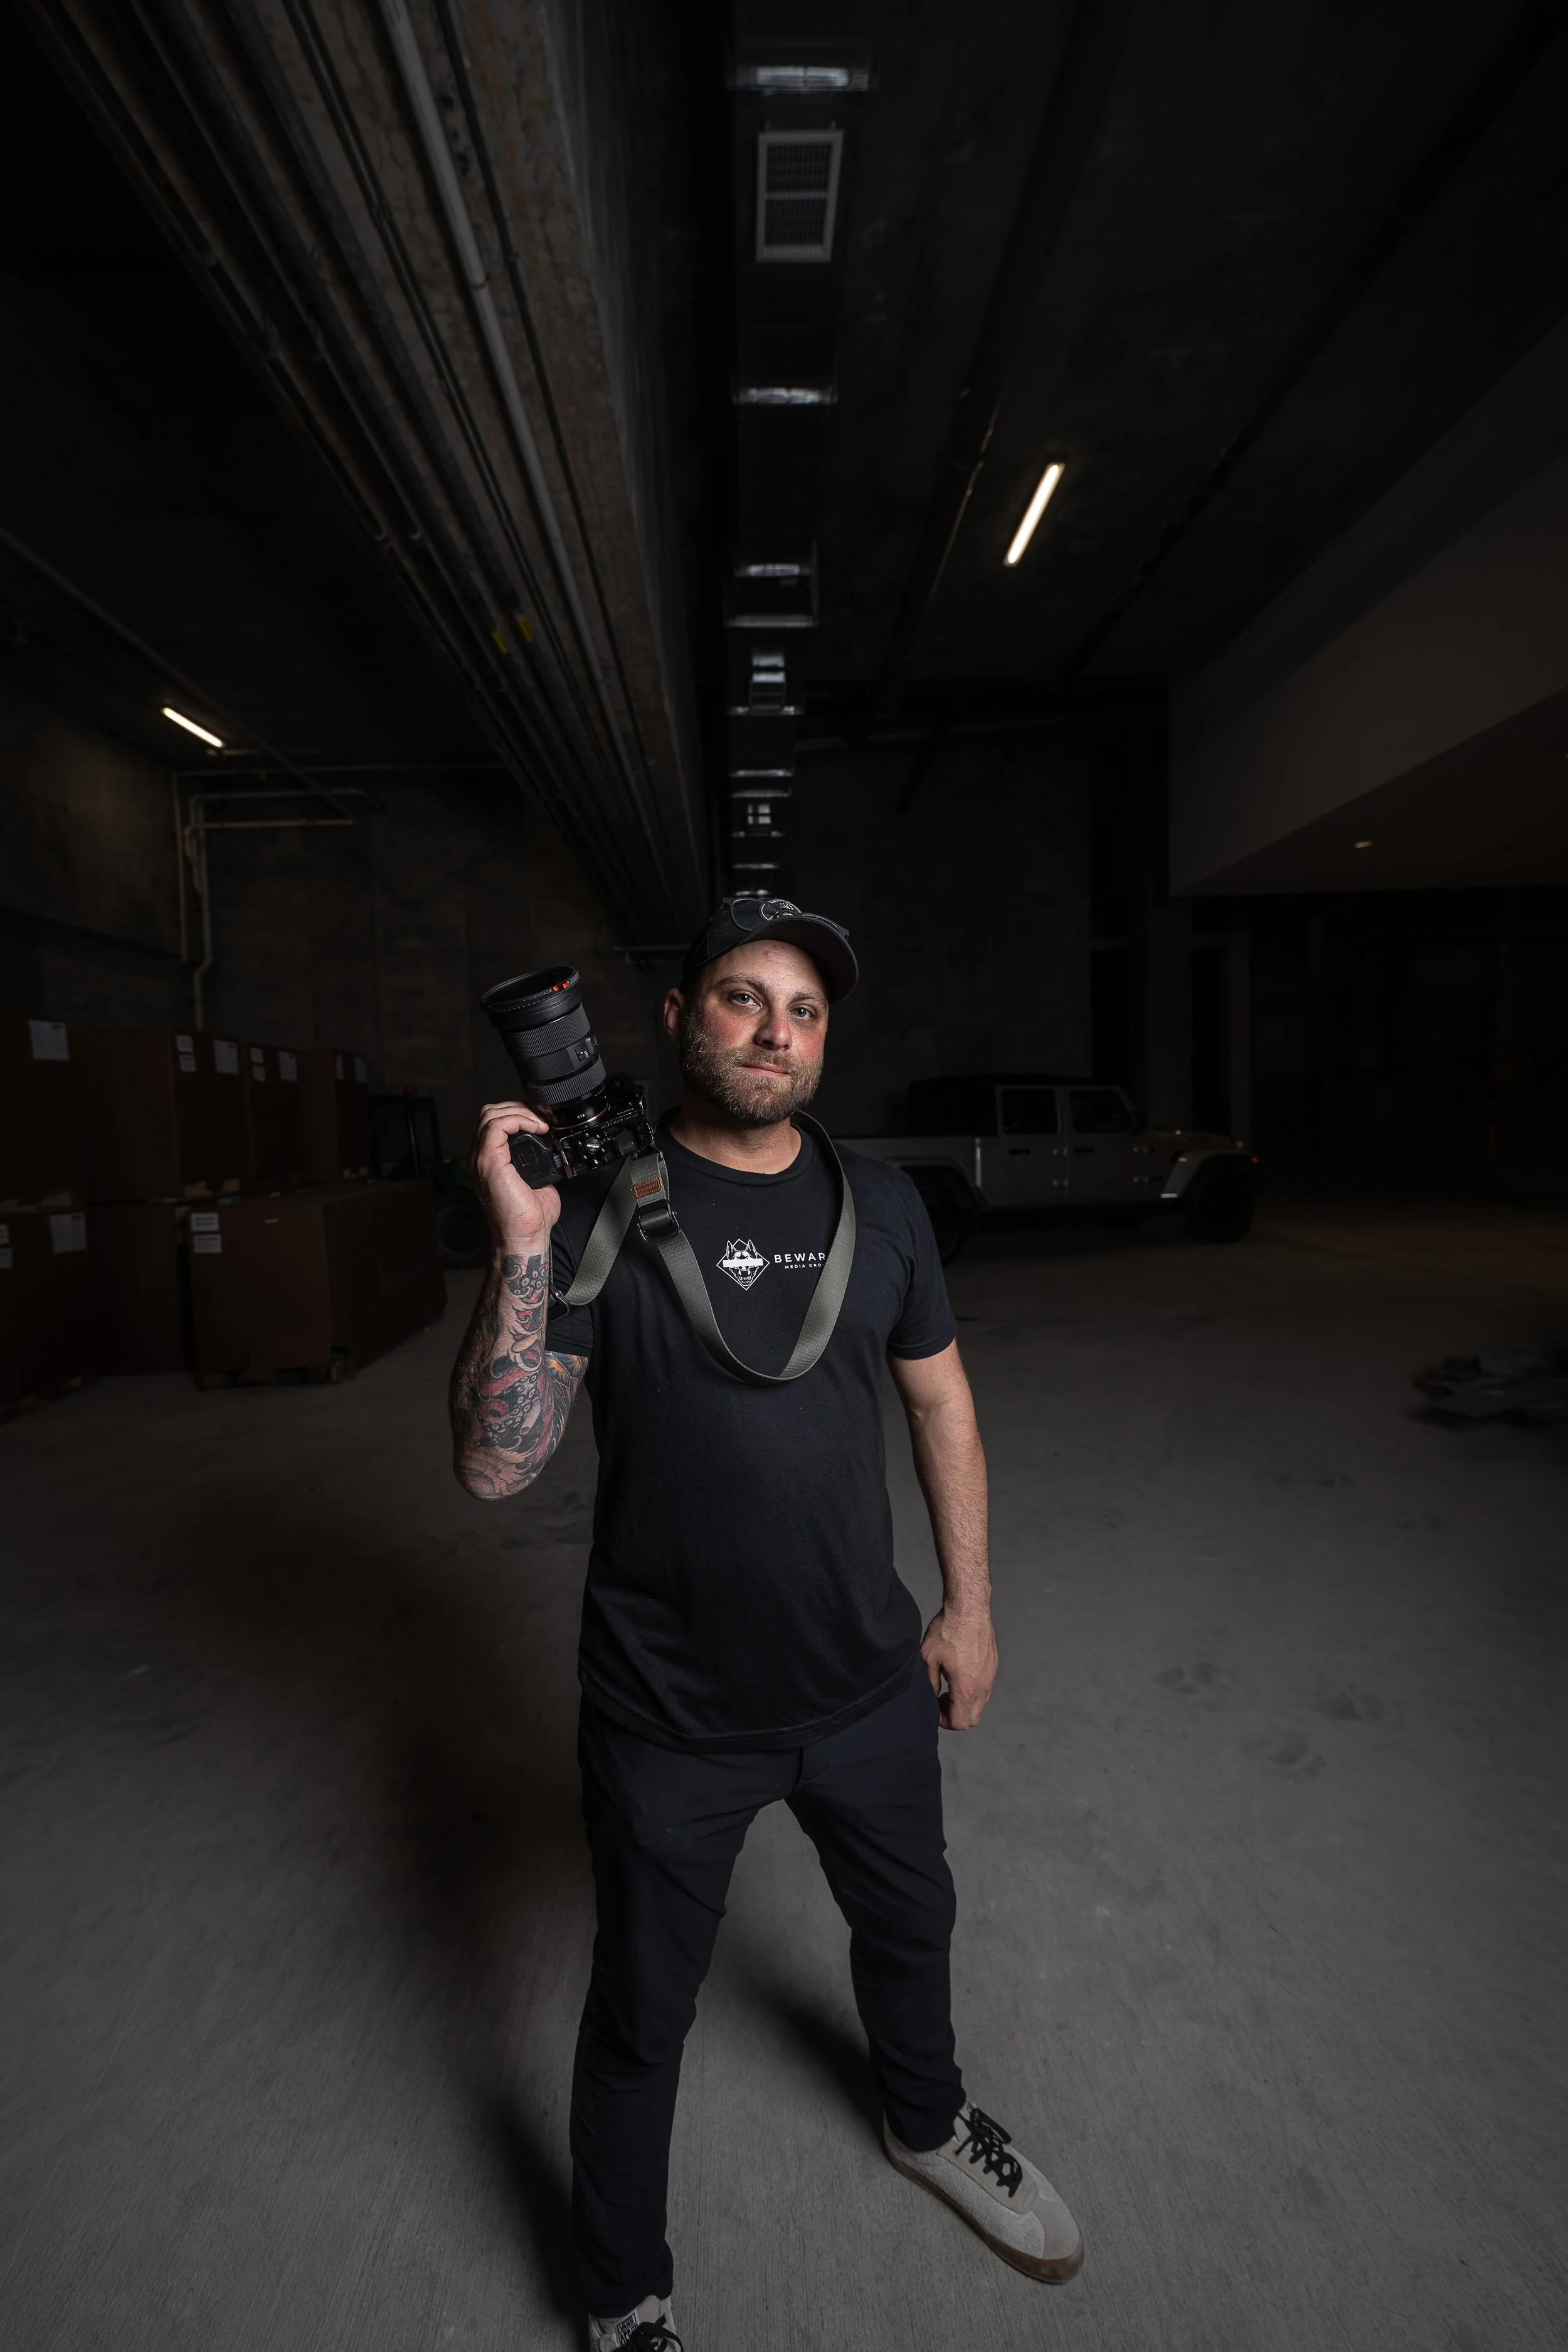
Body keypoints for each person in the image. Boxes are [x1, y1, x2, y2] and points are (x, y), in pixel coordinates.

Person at [449, 893, 1083, 2350]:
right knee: (641, 2015)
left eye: (801, 1010)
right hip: (669, 1713)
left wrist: (968, 1611)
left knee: (911, 1923)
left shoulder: (885, 1204)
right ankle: (621, 2292)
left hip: (864, 1684)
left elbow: (939, 1401)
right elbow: (495, 1464)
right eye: (742, 999)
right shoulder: (596, 1198)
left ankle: (924, 2123)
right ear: (678, 1020)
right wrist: (525, 1245)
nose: (774, 1032)